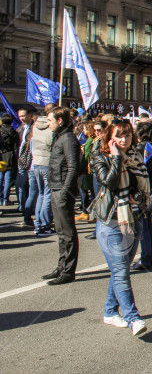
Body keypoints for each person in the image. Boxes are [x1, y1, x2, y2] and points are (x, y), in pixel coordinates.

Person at [90, 120, 150, 337]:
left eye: (128, 135)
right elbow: (109, 182)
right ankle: (133, 318)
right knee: (122, 272)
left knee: (119, 271)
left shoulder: (136, 157)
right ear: (110, 137)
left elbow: (144, 187)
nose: (124, 140)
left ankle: (109, 311)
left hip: (134, 219)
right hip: (111, 223)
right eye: (119, 135)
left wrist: (139, 199)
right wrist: (116, 157)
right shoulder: (100, 157)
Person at [43, 106, 82, 286]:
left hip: (62, 189)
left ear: (60, 121)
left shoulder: (67, 139)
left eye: (50, 120)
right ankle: (62, 265)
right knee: (60, 231)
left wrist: (66, 191)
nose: (47, 123)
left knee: (67, 232)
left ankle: (68, 271)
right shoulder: (59, 136)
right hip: (56, 187)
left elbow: (73, 167)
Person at [132, 120, 152, 271]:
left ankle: (146, 258)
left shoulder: (141, 147)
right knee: (148, 225)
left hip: (142, 188)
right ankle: (148, 256)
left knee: (143, 226)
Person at [31, 103, 56, 237]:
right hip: (46, 162)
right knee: (47, 195)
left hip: (37, 162)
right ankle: (44, 225)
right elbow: (51, 143)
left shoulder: (36, 124)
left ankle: (38, 223)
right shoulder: (49, 127)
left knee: (41, 194)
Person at [16, 106, 35, 225]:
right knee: (21, 185)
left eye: (23, 115)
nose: (22, 118)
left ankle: (28, 209)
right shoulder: (20, 128)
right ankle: (23, 207)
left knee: (31, 187)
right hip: (21, 161)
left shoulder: (34, 128)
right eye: (20, 116)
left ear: (29, 115)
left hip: (31, 160)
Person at [0, 113, 20, 206]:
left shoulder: (0, 131)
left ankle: (0, 198)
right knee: (8, 179)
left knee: (0, 178)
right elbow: (16, 147)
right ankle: (5, 199)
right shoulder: (14, 132)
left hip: (1, 156)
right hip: (10, 156)